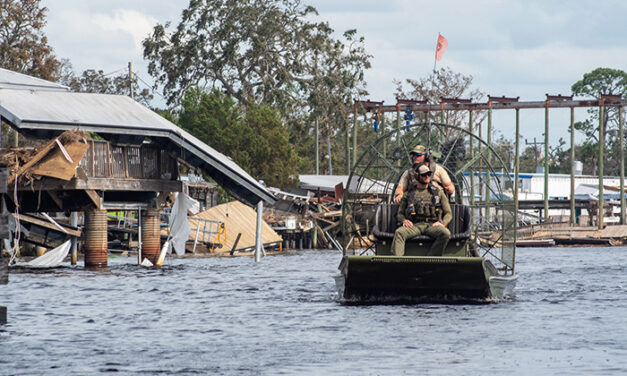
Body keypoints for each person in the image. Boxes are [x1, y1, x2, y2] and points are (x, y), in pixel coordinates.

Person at [391, 164, 452, 256]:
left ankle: (431, 258)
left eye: (428, 174)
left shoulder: (438, 193)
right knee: (399, 232)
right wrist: (404, 220)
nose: (427, 177)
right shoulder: (409, 194)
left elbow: (448, 213)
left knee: (445, 233)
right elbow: (400, 213)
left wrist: (442, 223)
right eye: (424, 175)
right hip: (414, 225)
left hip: (431, 225)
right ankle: (398, 261)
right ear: (417, 176)